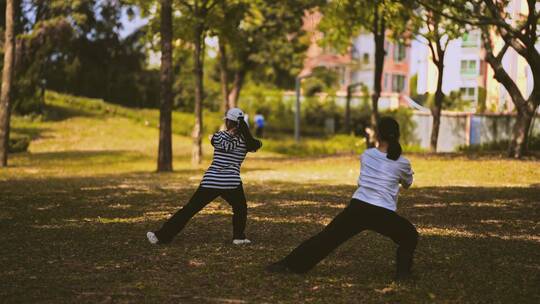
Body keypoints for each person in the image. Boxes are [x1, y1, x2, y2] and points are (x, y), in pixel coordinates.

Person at [267, 117, 418, 281]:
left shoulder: (367, 155)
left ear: (378, 135)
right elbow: (407, 183)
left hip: (358, 207)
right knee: (409, 235)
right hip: (383, 213)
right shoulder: (403, 163)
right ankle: (403, 274)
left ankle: (288, 265)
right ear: (397, 135)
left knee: (327, 238)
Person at [147, 108, 262, 245]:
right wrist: (243, 133)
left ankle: (161, 236)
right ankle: (239, 237)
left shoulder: (218, 136)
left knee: (189, 209)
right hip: (231, 182)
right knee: (240, 208)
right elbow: (257, 144)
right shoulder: (246, 142)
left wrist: (231, 133)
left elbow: (219, 142)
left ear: (228, 122)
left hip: (211, 181)